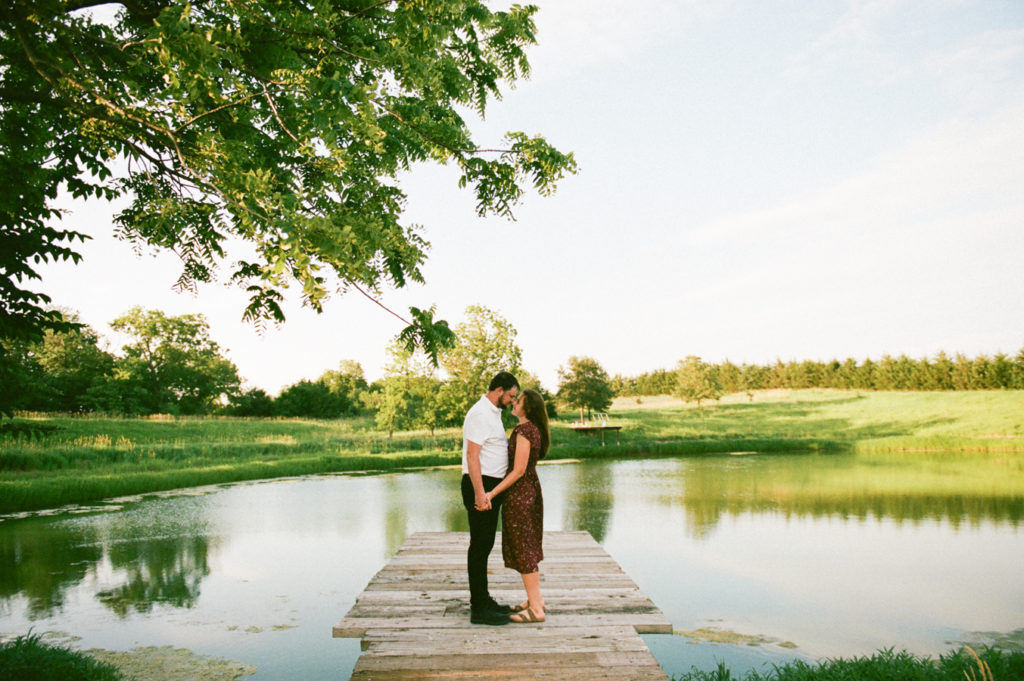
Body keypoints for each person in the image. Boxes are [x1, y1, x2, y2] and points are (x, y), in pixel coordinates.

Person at [484, 388, 550, 623]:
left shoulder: (524, 431)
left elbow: (518, 470)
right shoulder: (534, 430)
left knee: (524, 549)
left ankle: (536, 611)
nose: (514, 402)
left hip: (520, 495)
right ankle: (536, 600)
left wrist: (492, 492)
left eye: (518, 400)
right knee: (528, 546)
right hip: (531, 491)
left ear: (527, 407)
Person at [461, 371, 519, 625]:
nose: (512, 401)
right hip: (481, 485)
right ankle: (478, 609)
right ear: (499, 390)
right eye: (511, 395)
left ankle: (484, 600)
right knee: (479, 546)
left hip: (489, 486)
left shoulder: (492, 413)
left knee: (485, 546)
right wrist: (479, 493)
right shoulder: (480, 414)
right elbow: (472, 456)